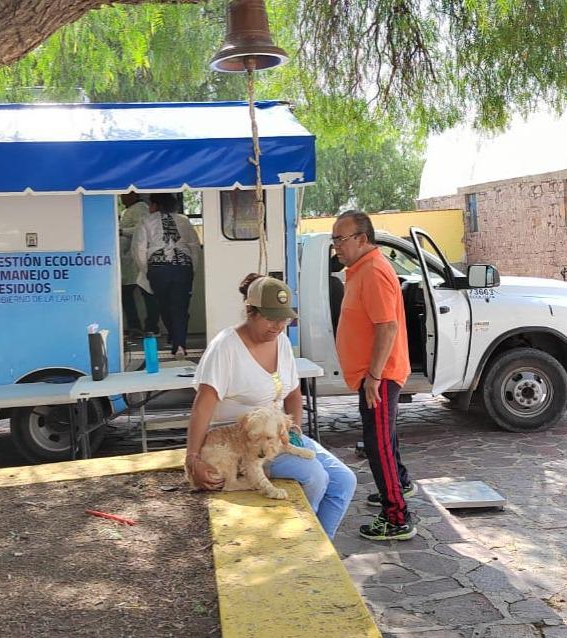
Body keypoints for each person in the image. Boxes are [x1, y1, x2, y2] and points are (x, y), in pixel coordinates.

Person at [184, 274, 356, 539]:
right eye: (270, 318)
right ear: (250, 311)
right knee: (315, 477)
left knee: (344, 480)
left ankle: (320, 546)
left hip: (278, 435)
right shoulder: (226, 347)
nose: (278, 326)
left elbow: (294, 393)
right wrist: (192, 459)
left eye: (283, 319)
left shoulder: (282, 342)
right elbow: (202, 407)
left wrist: (294, 430)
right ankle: (303, 540)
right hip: (241, 443)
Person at [332, 210, 416, 541]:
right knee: (383, 438)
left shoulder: (374, 271)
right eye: (334, 240)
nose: (336, 246)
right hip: (374, 375)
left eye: (340, 239)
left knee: (377, 443)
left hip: (379, 376)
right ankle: (399, 484)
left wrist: (374, 376)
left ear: (362, 239)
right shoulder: (361, 269)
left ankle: (397, 517)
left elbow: (387, 327)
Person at [132, 192, 201, 357]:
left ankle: (173, 335)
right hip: (182, 266)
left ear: (155, 205)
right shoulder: (184, 220)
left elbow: (139, 249)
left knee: (164, 305)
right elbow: (194, 246)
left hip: (158, 268)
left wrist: (147, 270)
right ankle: (179, 344)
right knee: (180, 306)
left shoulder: (145, 221)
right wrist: (192, 268)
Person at [118, 192, 159, 336]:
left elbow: (141, 228)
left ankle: (150, 327)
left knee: (146, 294)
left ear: (134, 195)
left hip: (137, 260)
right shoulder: (128, 211)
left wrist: (120, 231)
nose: (122, 197)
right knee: (127, 294)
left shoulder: (140, 207)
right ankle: (135, 326)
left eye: (125, 194)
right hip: (128, 261)